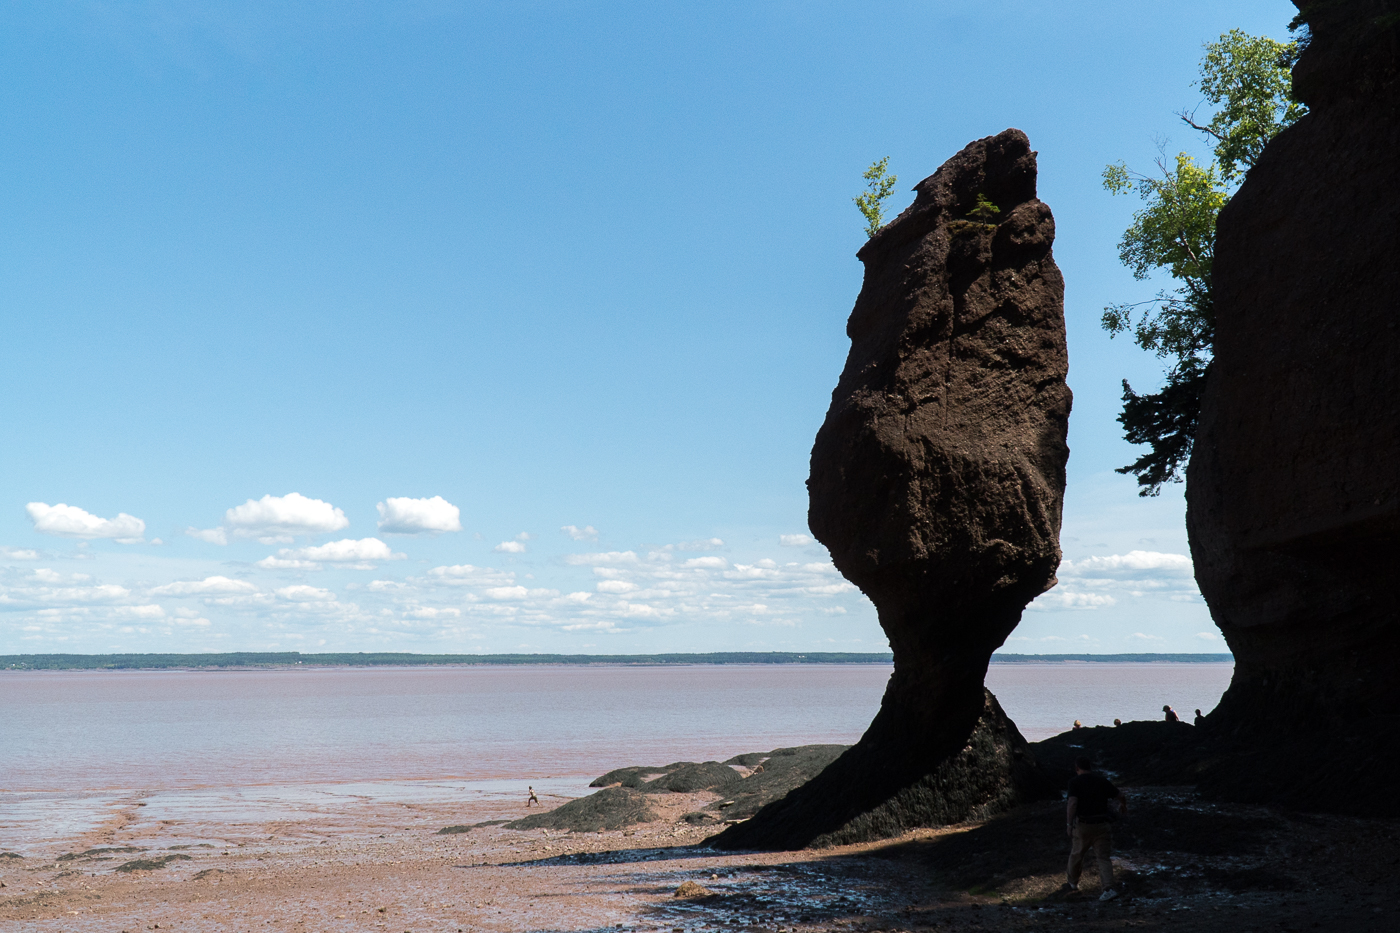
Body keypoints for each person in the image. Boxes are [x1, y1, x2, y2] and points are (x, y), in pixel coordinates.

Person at [1064, 755, 1127, 901]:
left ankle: (1073, 883)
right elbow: (1121, 795)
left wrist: (1069, 824)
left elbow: (1072, 803)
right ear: (1090, 767)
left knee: (1077, 854)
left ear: (1077, 768)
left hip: (1083, 825)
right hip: (1102, 824)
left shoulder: (1074, 782)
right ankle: (1108, 888)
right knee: (1103, 858)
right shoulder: (1101, 781)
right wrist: (1123, 806)